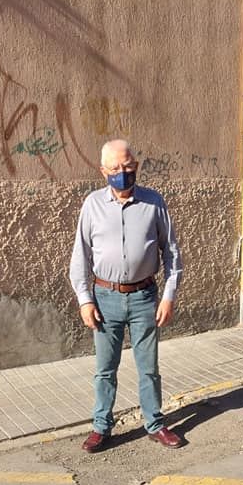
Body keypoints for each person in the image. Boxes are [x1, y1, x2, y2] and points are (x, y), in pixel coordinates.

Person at [69, 139, 184, 453]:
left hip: (144, 297)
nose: (123, 172)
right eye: (116, 168)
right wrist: (85, 300)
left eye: (128, 166)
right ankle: (101, 426)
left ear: (136, 165)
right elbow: (80, 256)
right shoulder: (92, 205)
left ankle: (155, 424)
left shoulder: (154, 202)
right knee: (105, 369)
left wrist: (169, 296)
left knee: (149, 367)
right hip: (104, 298)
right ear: (103, 171)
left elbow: (172, 253)